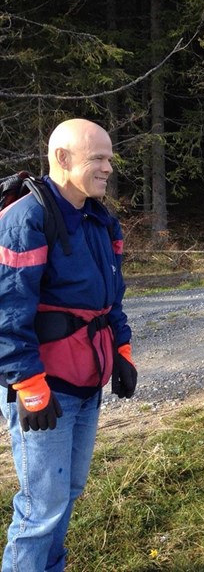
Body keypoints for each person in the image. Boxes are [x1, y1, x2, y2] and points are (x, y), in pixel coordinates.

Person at [0, 119, 137, 570]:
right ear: (61, 158)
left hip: (86, 380)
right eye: (97, 158)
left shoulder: (99, 218)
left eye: (109, 158)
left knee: (68, 491)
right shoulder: (27, 219)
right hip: (46, 388)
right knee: (43, 505)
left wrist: (122, 350)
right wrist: (30, 386)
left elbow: (110, 298)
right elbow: (7, 311)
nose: (108, 168)